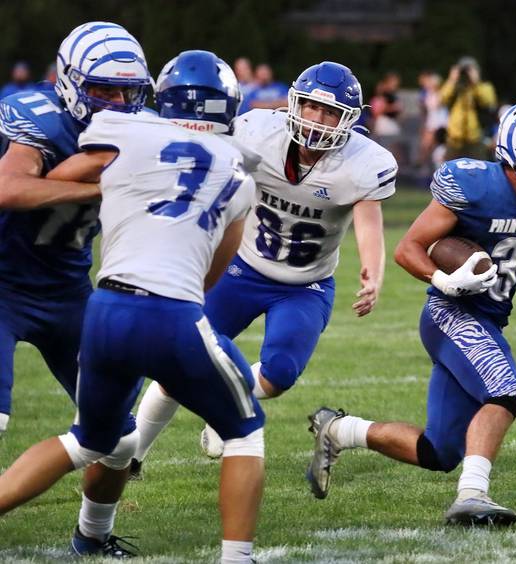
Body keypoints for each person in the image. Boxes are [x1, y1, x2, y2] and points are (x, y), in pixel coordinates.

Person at [0, 50, 265, 563]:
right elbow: (213, 272)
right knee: (245, 432)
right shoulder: (239, 169)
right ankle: (238, 557)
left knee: (89, 442)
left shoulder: (124, 134)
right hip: (171, 312)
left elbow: (67, 179)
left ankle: (91, 538)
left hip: (103, 308)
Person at [306, 100, 516, 526]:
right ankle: (473, 496)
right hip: (450, 312)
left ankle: (339, 430)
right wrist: (444, 281)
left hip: (490, 319)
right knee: (507, 392)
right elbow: (408, 248)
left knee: (437, 451)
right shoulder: (474, 185)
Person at [131, 60, 397, 470]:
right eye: (312, 107)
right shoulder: (257, 131)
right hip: (242, 267)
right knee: (177, 357)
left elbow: (368, 222)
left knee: (279, 374)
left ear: (348, 119)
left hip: (304, 284)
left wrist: (373, 272)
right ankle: (133, 456)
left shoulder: (361, 162)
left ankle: (222, 407)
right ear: (295, 104)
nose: (318, 119)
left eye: (330, 112)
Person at [0, 21, 150, 556]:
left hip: (68, 291)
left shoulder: (143, 129)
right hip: (3, 287)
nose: (115, 102)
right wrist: (97, 185)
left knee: (120, 439)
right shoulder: (37, 114)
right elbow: (10, 187)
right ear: (68, 82)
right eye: (102, 89)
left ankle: (92, 536)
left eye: (126, 91)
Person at [439, 56, 497, 161]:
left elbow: (488, 101)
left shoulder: (484, 86)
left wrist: (476, 82)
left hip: (475, 139)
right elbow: (441, 99)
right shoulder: (454, 87)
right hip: (454, 140)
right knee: (450, 172)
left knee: (478, 172)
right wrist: (452, 80)